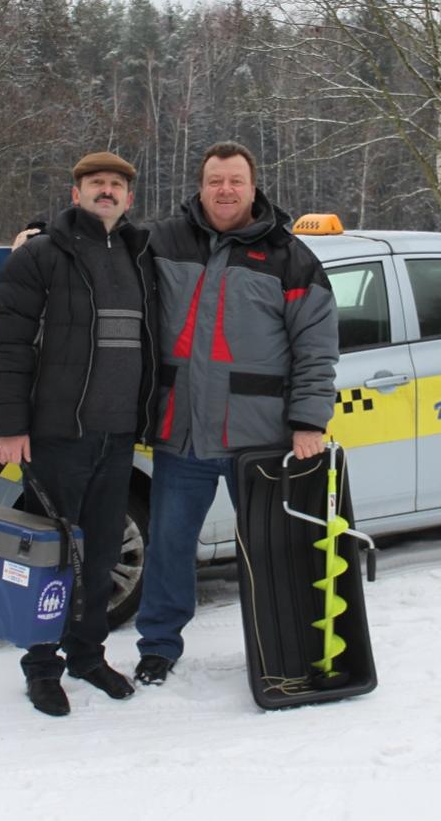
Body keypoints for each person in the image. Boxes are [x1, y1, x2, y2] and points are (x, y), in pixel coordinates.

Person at [133, 141, 339, 686]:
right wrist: (40, 233)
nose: (225, 190)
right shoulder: (162, 240)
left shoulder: (290, 257)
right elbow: (97, 249)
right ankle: (158, 646)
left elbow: (316, 349)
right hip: (182, 435)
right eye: (215, 181)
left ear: (253, 187)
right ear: (201, 187)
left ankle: (282, 643)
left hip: (260, 441)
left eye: (235, 181)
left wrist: (309, 421)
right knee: (169, 548)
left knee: (272, 551)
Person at [0, 150, 157, 717]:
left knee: (104, 552)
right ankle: (42, 666)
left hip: (118, 435)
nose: (106, 191)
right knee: (51, 557)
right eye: (95, 183)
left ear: (129, 198)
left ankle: (87, 655)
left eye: (116, 185)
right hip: (57, 434)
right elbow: (12, 347)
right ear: (75, 193)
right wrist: (11, 427)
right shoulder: (39, 256)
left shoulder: (140, 254)